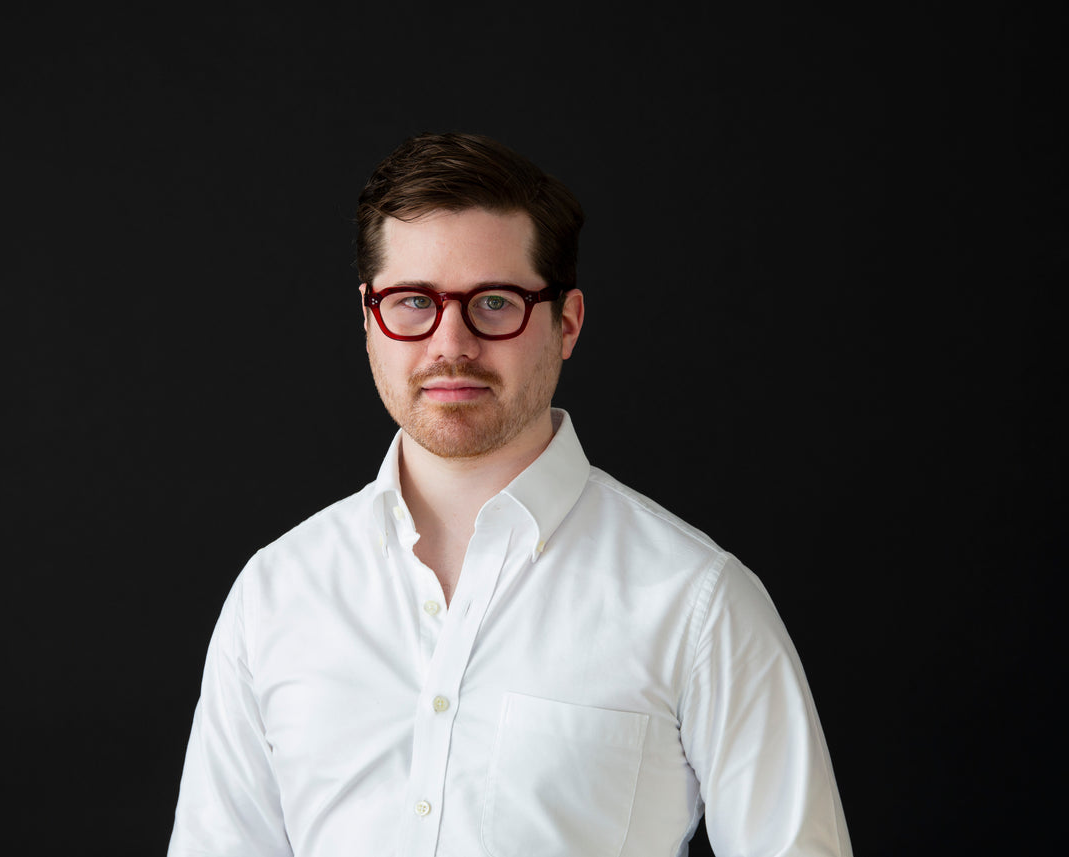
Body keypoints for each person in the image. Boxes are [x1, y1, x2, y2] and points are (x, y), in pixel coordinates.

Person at [167, 131, 853, 857]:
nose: (450, 343)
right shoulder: (276, 594)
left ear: (567, 324)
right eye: (411, 301)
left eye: (494, 302)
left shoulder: (697, 602)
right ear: (369, 318)